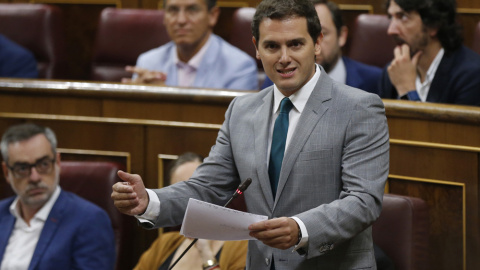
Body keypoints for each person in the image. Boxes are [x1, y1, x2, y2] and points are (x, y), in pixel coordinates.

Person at [111, 0, 389, 269]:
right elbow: (206, 187)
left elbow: (363, 200)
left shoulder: (358, 107)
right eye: (271, 46)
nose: (284, 58)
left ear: (316, 43)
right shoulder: (241, 111)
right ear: (257, 48)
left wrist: (301, 228)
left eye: (295, 44)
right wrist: (149, 200)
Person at [0, 123, 115, 270]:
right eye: (22, 168)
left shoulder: (89, 220)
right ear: (6, 173)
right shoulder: (2, 213)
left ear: (58, 162)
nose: (34, 178)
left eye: (43, 164)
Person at [133, 152, 248, 270]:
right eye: (181, 193)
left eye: (198, 190)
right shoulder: (165, 243)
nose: (191, 199)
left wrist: (206, 254)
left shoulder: (240, 246)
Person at [122, 0, 259, 91]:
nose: (181, 20)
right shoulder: (148, 62)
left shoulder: (239, 67)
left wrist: (162, 97)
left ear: (212, 16)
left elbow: (234, 129)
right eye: (173, 10)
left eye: (192, 10)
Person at [262, 0, 382, 94]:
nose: (313, 46)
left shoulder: (374, 80)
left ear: (341, 36)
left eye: (322, 34)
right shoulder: (276, 78)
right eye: (297, 42)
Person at [378, 0, 480, 105]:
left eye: (403, 17)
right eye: (391, 17)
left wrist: (407, 92)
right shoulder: (393, 70)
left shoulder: (471, 76)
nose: (391, 30)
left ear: (433, 24)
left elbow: (429, 122)